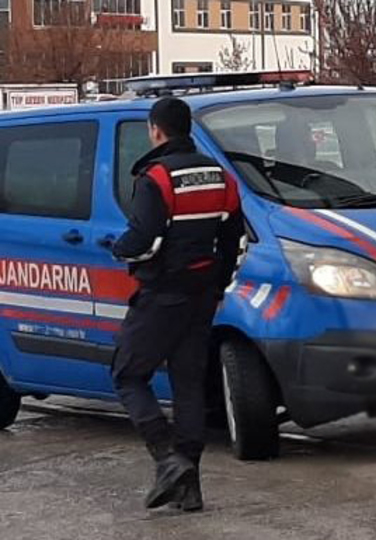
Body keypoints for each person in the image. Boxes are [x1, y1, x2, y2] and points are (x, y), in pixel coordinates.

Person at [112, 97, 244, 512]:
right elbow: (234, 241)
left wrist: (119, 249)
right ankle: (190, 487)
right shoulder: (220, 176)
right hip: (203, 295)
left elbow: (144, 242)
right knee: (187, 383)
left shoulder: (156, 178)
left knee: (128, 375)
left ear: (156, 130)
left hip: (163, 294)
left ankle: (166, 459)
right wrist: (218, 285)